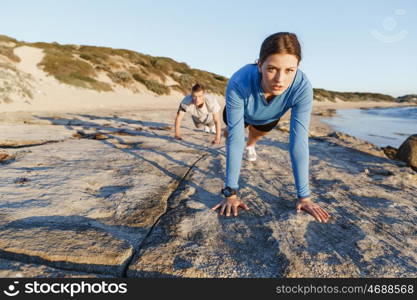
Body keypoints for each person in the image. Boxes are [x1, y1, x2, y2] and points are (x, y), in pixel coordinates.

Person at [211, 32, 330, 223]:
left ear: (297, 67)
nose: (280, 79)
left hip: (268, 117)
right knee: (235, 135)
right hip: (240, 113)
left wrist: (305, 197)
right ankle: (239, 134)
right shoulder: (239, 81)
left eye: (290, 70)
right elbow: (234, 141)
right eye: (272, 69)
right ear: (259, 65)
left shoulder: (302, 87)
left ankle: (251, 144)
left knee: (254, 137)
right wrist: (230, 194)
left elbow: (298, 141)